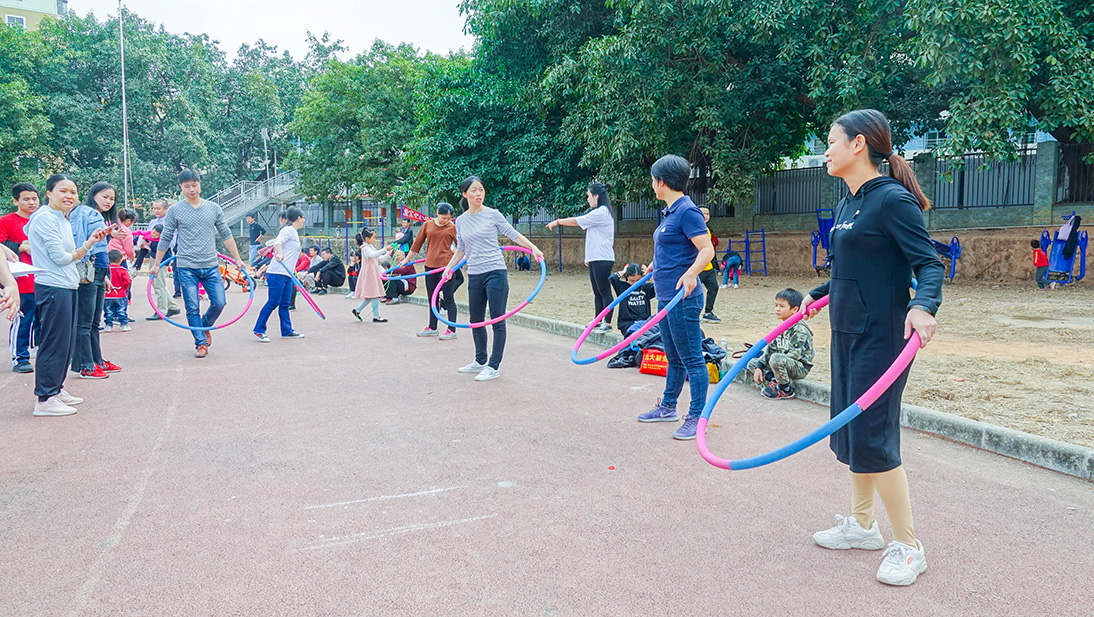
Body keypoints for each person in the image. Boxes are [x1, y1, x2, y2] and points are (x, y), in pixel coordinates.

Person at [801, 109, 943, 586]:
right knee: (850, 432)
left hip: (882, 338)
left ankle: (909, 544)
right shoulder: (848, 203)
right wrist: (818, 296)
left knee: (874, 438)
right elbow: (848, 269)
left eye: (831, 142)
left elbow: (929, 264)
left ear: (858, 145)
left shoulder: (891, 201)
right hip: (845, 332)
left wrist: (923, 307)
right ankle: (863, 525)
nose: (826, 151)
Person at [635, 155, 715, 440]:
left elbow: (706, 250)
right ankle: (668, 407)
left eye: (653, 179)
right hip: (666, 296)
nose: (652, 184)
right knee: (674, 356)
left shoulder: (687, 211)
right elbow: (671, 247)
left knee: (692, 358)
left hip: (684, 298)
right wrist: (654, 267)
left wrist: (692, 273)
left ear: (662, 182)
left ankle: (697, 416)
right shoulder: (671, 212)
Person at [441, 176, 543, 382]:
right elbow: (461, 248)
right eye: (474, 191)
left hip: (495, 272)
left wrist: (533, 248)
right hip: (475, 274)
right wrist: (449, 268)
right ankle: (480, 360)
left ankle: (493, 365)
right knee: (475, 320)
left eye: (481, 190)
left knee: (497, 319)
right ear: (464, 194)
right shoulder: (460, 221)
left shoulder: (492, 214)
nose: (479, 194)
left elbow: (513, 234)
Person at [26, 174, 111, 416]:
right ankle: (45, 398)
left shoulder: (60, 217)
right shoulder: (44, 218)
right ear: (49, 193)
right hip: (53, 286)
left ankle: (56, 389)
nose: (69, 196)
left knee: (66, 341)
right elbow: (61, 258)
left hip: (67, 285)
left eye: (73, 192)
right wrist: (85, 247)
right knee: (54, 342)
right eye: (63, 191)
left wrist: (90, 241)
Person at [149, 169, 244, 359]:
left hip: (210, 264)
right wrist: (156, 263)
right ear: (181, 188)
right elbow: (166, 237)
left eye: (194, 185)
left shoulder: (213, 208)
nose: (191, 189)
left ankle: (203, 325)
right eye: (187, 186)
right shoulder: (175, 210)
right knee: (192, 306)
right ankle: (200, 343)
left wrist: (238, 258)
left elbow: (226, 234)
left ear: (200, 184)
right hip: (186, 266)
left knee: (219, 302)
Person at [69, 181, 124, 379]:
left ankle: (96, 361)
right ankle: (85, 365)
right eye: (105, 197)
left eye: (112, 198)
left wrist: (106, 274)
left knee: (93, 321)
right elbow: (80, 240)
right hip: (87, 271)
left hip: (99, 271)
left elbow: (101, 250)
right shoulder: (84, 212)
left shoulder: (101, 218)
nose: (109, 201)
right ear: (93, 195)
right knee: (84, 321)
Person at [547, 182, 617, 333]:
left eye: (588, 196)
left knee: (604, 291)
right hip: (595, 258)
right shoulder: (599, 213)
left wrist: (558, 221)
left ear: (596, 196)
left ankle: (608, 322)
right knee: (597, 291)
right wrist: (588, 258)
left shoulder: (601, 212)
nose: (587, 199)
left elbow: (576, 221)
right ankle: (597, 321)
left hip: (602, 258)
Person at [399, 202, 462, 340]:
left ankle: (451, 329)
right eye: (444, 217)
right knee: (432, 298)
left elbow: (461, 248)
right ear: (437, 213)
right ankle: (432, 327)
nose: (446, 221)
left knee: (449, 298)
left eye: (449, 218)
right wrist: (406, 260)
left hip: (446, 267)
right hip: (430, 266)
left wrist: (453, 267)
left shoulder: (452, 228)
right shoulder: (427, 225)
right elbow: (416, 245)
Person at [1, 182, 41, 373]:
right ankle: (20, 358)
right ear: (15, 201)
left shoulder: (42, 220)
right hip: (21, 282)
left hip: (42, 279)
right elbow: (1, 246)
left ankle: (41, 351)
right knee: (23, 320)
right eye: (26, 199)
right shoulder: (7, 221)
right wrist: (20, 246)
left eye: (35, 198)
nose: (32, 202)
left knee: (42, 320)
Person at [747, 288, 814, 400]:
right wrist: (760, 366)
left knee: (776, 358)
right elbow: (770, 349)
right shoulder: (781, 328)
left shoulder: (800, 329)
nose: (777, 309)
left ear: (795, 309)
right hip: (779, 363)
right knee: (753, 363)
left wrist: (774, 362)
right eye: (776, 305)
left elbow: (795, 355)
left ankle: (785, 389)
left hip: (798, 366)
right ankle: (774, 379)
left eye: (782, 306)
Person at [253, 206, 306, 342]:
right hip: (277, 273)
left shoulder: (293, 231)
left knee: (284, 304)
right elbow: (278, 242)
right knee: (273, 302)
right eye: (303, 218)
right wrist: (280, 253)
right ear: (298, 218)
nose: (304, 221)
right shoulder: (288, 230)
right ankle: (259, 330)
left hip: (287, 274)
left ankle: (287, 331)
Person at [144, 200, 181, 320]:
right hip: (153, 255)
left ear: (165, 209)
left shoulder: (169, 222)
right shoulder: (153, 222)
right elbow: (147, 236)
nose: (156, 211)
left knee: (158, 284)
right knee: (158, 283)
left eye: (158, 208)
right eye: (154, 208)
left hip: (163, 256)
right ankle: (172, 306)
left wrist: (153, 245)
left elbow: (171, 241)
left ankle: (161, 310)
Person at [352, 228, 390, 323]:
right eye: (373, 237)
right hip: (369, 273)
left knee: (372, 295)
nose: (374, 239)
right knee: (374, 295)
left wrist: (389, 253)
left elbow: (380, 258)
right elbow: (373, 255)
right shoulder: (365, 248)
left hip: (372, 272)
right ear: (366, 238)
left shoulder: (370, 247)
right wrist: (385, 249)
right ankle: (376, 316)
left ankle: (358, 310)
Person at [608, 263, 655, 336]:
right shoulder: (622, 287)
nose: (635, 284)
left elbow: (660, 287)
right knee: (635, 333)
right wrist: (624, 271)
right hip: (626, 323)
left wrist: (651, 275)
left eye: (638, 280)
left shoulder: (645, 287)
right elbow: (612, 278)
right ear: (627, 277)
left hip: (643, 322)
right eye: (632, 281)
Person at [696, 206, 721, 323]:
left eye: (708, 214)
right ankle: (693, 314)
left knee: (714, 288)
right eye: (703, 214)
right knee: (693, 292)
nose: (705, 216)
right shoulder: (694, 228)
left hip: (708, 267)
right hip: (697, 267)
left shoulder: (708, 229)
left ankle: (708, 312)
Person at [102, 249, 132, 333]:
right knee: (122, 310)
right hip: (120, 294)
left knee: (108, 311)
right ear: (120, 260)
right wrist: (124, 289)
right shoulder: (123, 270)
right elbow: (127, 282)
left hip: (107, 295)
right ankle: (124, 324)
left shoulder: (106, 270)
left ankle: (108, 325)